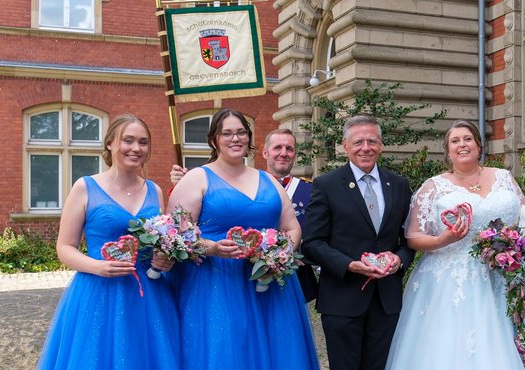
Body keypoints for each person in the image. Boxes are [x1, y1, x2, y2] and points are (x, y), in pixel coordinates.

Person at [384, 120, 525, 369]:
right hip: (450, 280)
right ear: (447, 151)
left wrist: (519, 243)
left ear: (479, 145)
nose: (462, 145)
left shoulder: (503, 177)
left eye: (468, 139)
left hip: (504, 276)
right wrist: (442, 239)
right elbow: (413, 237)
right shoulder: (433, 187)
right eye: (455, 141)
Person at [168, 109, 318, 369]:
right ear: (214, 140)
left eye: (241, 132)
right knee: (228, 352)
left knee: (280, 353)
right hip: (216, 284)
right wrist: (212, 248)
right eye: (226, 133)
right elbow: (177, 235)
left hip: (272, 284)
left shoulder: (268, 180)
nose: (235, 138)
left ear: (249, 138)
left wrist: (280, 255)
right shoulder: (197, 178)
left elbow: (292, 227)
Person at [38, 114, 179, 369]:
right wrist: (98, 267)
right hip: (98, 292)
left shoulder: (154, 190)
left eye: (143, 142)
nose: (136, 148)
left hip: (148, 295)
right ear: (111, 144)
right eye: (128, 140)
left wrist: (163, 259)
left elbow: (160, 242)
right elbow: (64, 247)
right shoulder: (85, 187)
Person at [301, 115, 414, 370]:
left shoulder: (398, 184)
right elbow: (312, 243)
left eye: (372, 141)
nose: (366, 147)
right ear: (345, 145)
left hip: (386, 301)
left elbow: (408, 240)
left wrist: (400, 260)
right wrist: (349, 265)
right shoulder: (326, 185)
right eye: (358, 141)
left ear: (381, 145)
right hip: (342, 298)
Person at [170, 128, 318, 301]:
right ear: (265, 152)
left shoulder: (311, 190)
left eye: (289, 149)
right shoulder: (242, 185)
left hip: (290, 276)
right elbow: (186, 220)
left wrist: (279, 256)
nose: (283, 153)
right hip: (228, 273)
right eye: (277, 148)